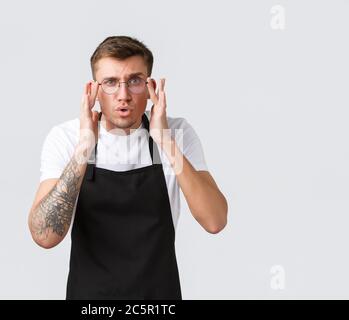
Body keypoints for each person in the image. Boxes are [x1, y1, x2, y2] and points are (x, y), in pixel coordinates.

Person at [28, 36, 228, 300]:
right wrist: (84, 148)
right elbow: (45, 236)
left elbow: (215, 221)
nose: (123, 95)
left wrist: (164, 140)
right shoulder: (67, 138)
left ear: (150, 86)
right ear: (94, 90)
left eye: (134, 81)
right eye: (110, 83)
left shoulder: (176, 134)